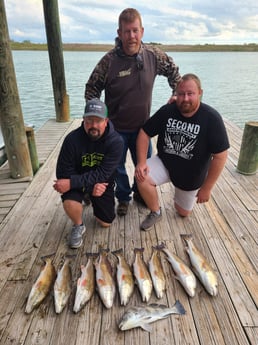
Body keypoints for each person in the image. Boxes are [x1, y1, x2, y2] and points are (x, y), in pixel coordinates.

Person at [85, 8, 181, 216]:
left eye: (135, 31)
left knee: (143, 165)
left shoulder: (153, 55)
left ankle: (140, 193)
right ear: (119, 33)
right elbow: (91, 89)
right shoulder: (108, 61)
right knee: (117, 167)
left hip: (143, 130)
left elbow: (174, 71)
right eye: (127, 31)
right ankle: (123, 197)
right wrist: (97, 118)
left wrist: (176, 95)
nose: (131, 36)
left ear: (142, 31)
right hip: (115, 129)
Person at [135, 73, 230, 231]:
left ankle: (181, 196)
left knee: (183, 212)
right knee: (141, 176)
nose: (185, 99)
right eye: (181, 94)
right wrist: (142, 162)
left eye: (190, 94)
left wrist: (207, 188)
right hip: (165, 163)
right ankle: (155, 211)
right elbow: (144, 133)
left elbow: (220, 156)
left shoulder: (211, 118)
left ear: (200, 93)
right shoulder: (168, 111)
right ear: (175, 94)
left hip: (191, 175)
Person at [53, 99, 123, 248]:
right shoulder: (71, 139)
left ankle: (87, 196)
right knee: (70, 203)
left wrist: (74, 183)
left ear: (106, 121)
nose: (93, 125)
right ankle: (78, 225)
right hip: (81, 181)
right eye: (89, 120)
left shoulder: (116, 141)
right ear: (83, 119)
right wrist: (88, 188)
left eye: (98, 121)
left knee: (105, 222)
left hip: (101, 183)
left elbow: (104, 174)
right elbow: (63, 171)